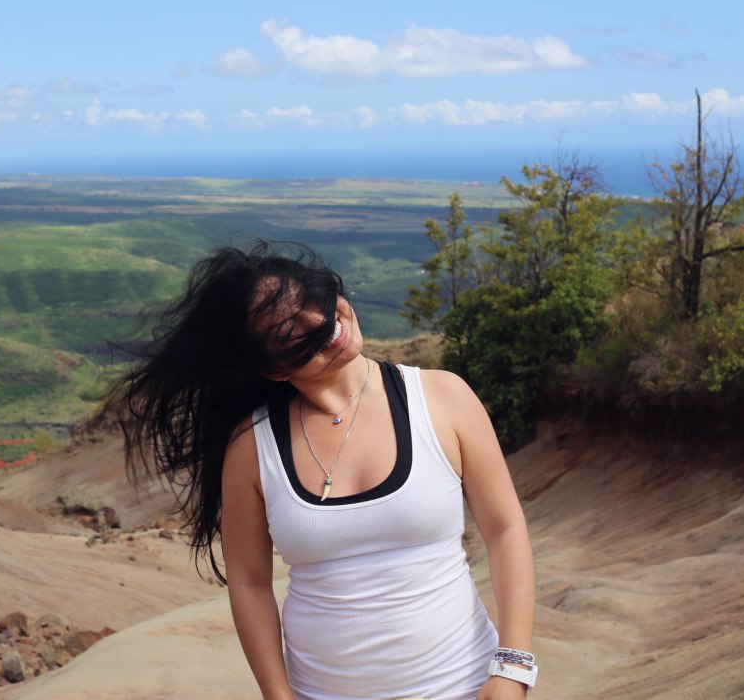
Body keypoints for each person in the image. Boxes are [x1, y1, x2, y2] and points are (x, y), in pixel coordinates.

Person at [113, 241, 536, 700]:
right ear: (271, 368)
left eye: (314, 298)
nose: (322, 322)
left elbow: (504, 528)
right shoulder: (252, 447)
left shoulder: (442, 397)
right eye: (288, 329)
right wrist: (277, 694)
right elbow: (249, 582)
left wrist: (513, 666)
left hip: (466, 685)